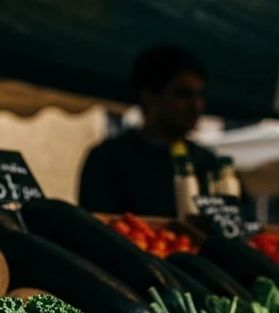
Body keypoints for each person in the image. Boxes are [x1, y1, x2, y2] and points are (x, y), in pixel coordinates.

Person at [79, 46, 219, 217]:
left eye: (200, 95)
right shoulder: (109, 160)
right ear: (150, 97)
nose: (196, 106)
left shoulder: (207, 163)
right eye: (183, 94)